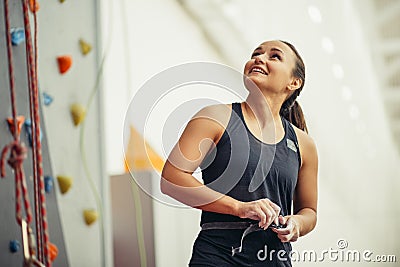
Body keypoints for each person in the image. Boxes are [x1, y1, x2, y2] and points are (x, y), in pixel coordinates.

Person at [161, 40, 318, 266]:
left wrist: (297, 224)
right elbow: (171, 179)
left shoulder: (304, 144)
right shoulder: (215, 117)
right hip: (217, 257)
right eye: (256, 53)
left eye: (274, 56)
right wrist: (239, 208)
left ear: (294, 82)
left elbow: (309, 211)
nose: (259, 58)